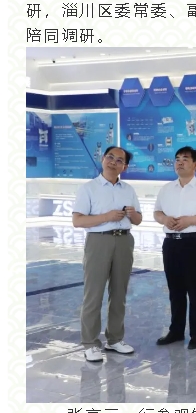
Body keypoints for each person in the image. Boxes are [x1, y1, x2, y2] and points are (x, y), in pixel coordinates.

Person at [72, 146, 142, 362]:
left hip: (124, 240)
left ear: (125, 167)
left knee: (119, 293)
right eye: (110, 157)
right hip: (98, 241)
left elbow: (138, 220)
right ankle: (90, 343)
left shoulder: (128, 189)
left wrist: (133, 214)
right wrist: (106, 217)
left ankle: (115, 339)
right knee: (93, 293)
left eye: (119, 160)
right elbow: (78, 221)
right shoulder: (88, 188)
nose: (113, 162)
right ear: (103, 159)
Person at [154, 147, 196, 350]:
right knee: (175, 289)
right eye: (177, 159)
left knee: (194, 287)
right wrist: (164, 219)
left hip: (194, 243)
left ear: (195, 164)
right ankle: (176, 331)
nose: (180, 162)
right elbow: (157, 212)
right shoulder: (166, 189)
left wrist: (189, 221)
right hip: (171, 243)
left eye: (185, 159)